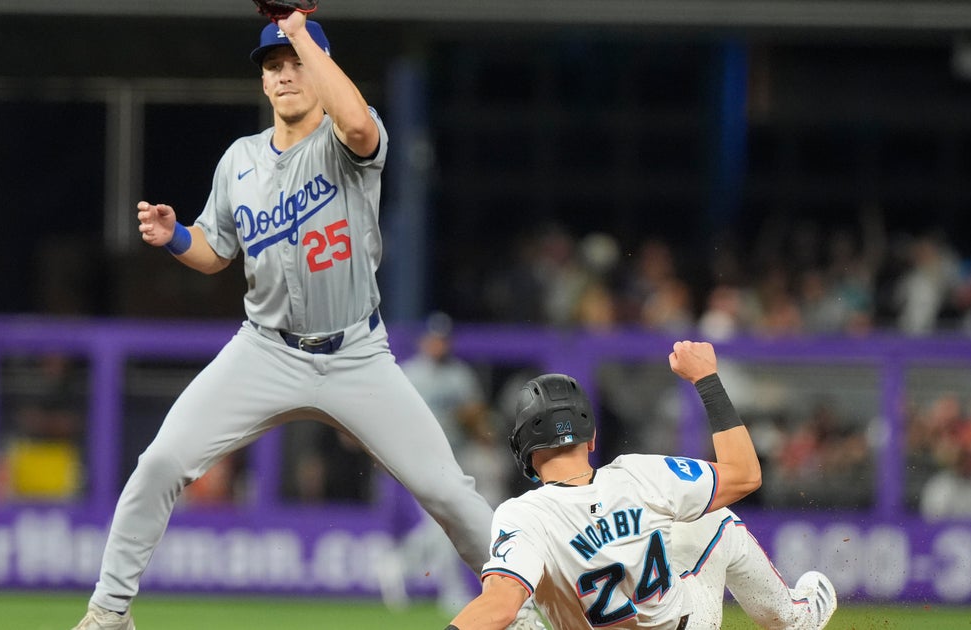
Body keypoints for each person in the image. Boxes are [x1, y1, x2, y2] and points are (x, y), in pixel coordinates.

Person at [71, 11, 495, 630]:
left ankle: (537, 602)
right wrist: (174, 236)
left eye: (296, 63)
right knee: (160, 462)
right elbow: (216, 253)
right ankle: (109, 612)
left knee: (449, 493)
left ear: (323, 69)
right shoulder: (239, 159)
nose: (285, 75)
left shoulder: (349, 142)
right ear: (263, 82)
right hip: (264, 351)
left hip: (356, 354)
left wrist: (299, 31)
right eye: (274, 66)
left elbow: (354, 121)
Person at [446, 340, 837, 630]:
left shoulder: (524, 514)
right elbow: (746, 474)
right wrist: (706, 379)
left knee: (517, 609)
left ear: (524, 450)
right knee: (712, 521)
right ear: (592, 439)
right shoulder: (638, 475)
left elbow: (497, 606)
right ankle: (794, 619)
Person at [378, 312, 511, 615]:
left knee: (445, 524)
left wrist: (478, 429)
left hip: (455, 458)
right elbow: (392, 417)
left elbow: (477, 419)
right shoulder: (409, 373)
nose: (439, 344)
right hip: (420, 458)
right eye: (434, 338)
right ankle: (450, 592)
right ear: (424, 340)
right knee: (443, 525)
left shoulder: (459, 375)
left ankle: (400, 563)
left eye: (443, 339)